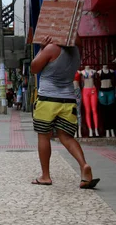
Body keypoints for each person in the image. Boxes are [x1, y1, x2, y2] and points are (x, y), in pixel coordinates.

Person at [30, 35, 99, 189]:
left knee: (44, 136)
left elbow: (34, 68)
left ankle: (45, 176)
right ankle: (83, 166)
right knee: (66, 137)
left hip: (48, 99)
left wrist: (41, 49)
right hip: (68, 99)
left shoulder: (51, 48)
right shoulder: (75, 50)